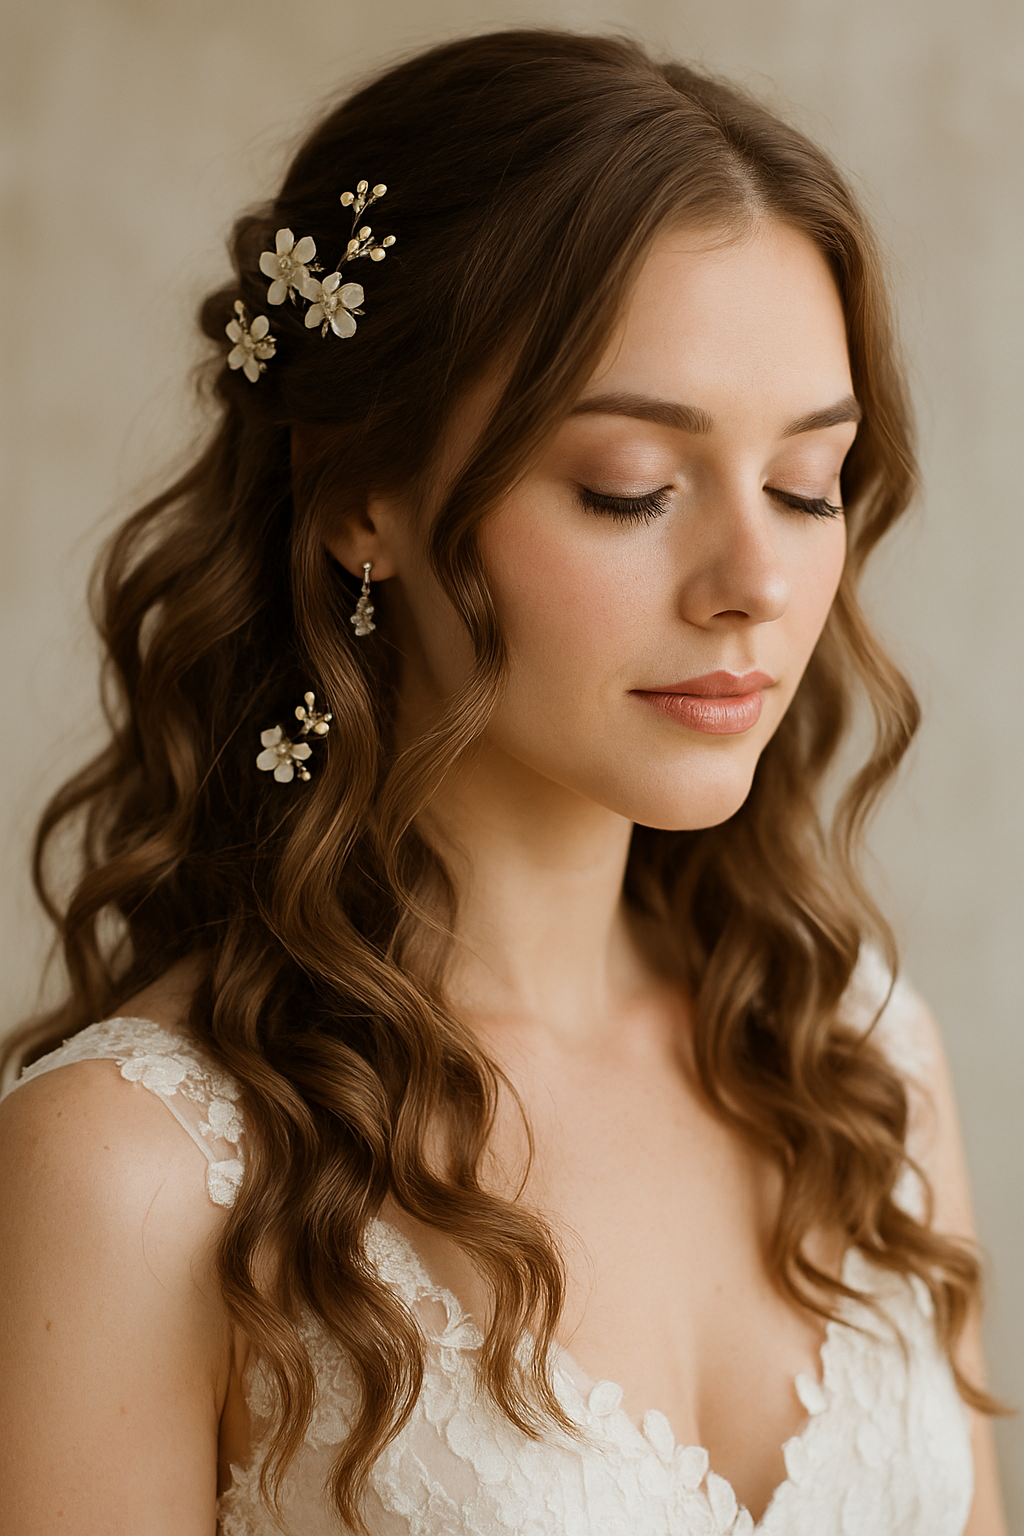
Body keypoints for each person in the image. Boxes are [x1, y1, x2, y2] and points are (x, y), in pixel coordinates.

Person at [0, 26, 1008, 1535]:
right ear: (361, 500)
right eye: (630, 489)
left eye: (811, 485)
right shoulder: (140, 1170)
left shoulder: (858, 1061)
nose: (758, 580)